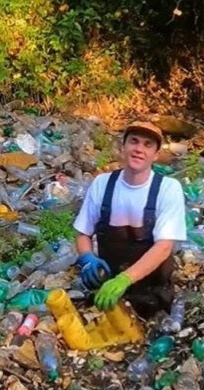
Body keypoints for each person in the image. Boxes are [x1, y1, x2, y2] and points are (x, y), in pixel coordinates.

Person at [73, 120, 188, 315]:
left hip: (152, 294)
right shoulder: (102, 184)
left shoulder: (168, 189)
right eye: (134, 141)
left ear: (156, 155)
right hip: (107, 291)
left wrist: (125, 279)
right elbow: (82, 232)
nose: (139, 149)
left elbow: (164, 247)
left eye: (147, 145)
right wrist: (88, 258)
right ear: (123, 147)